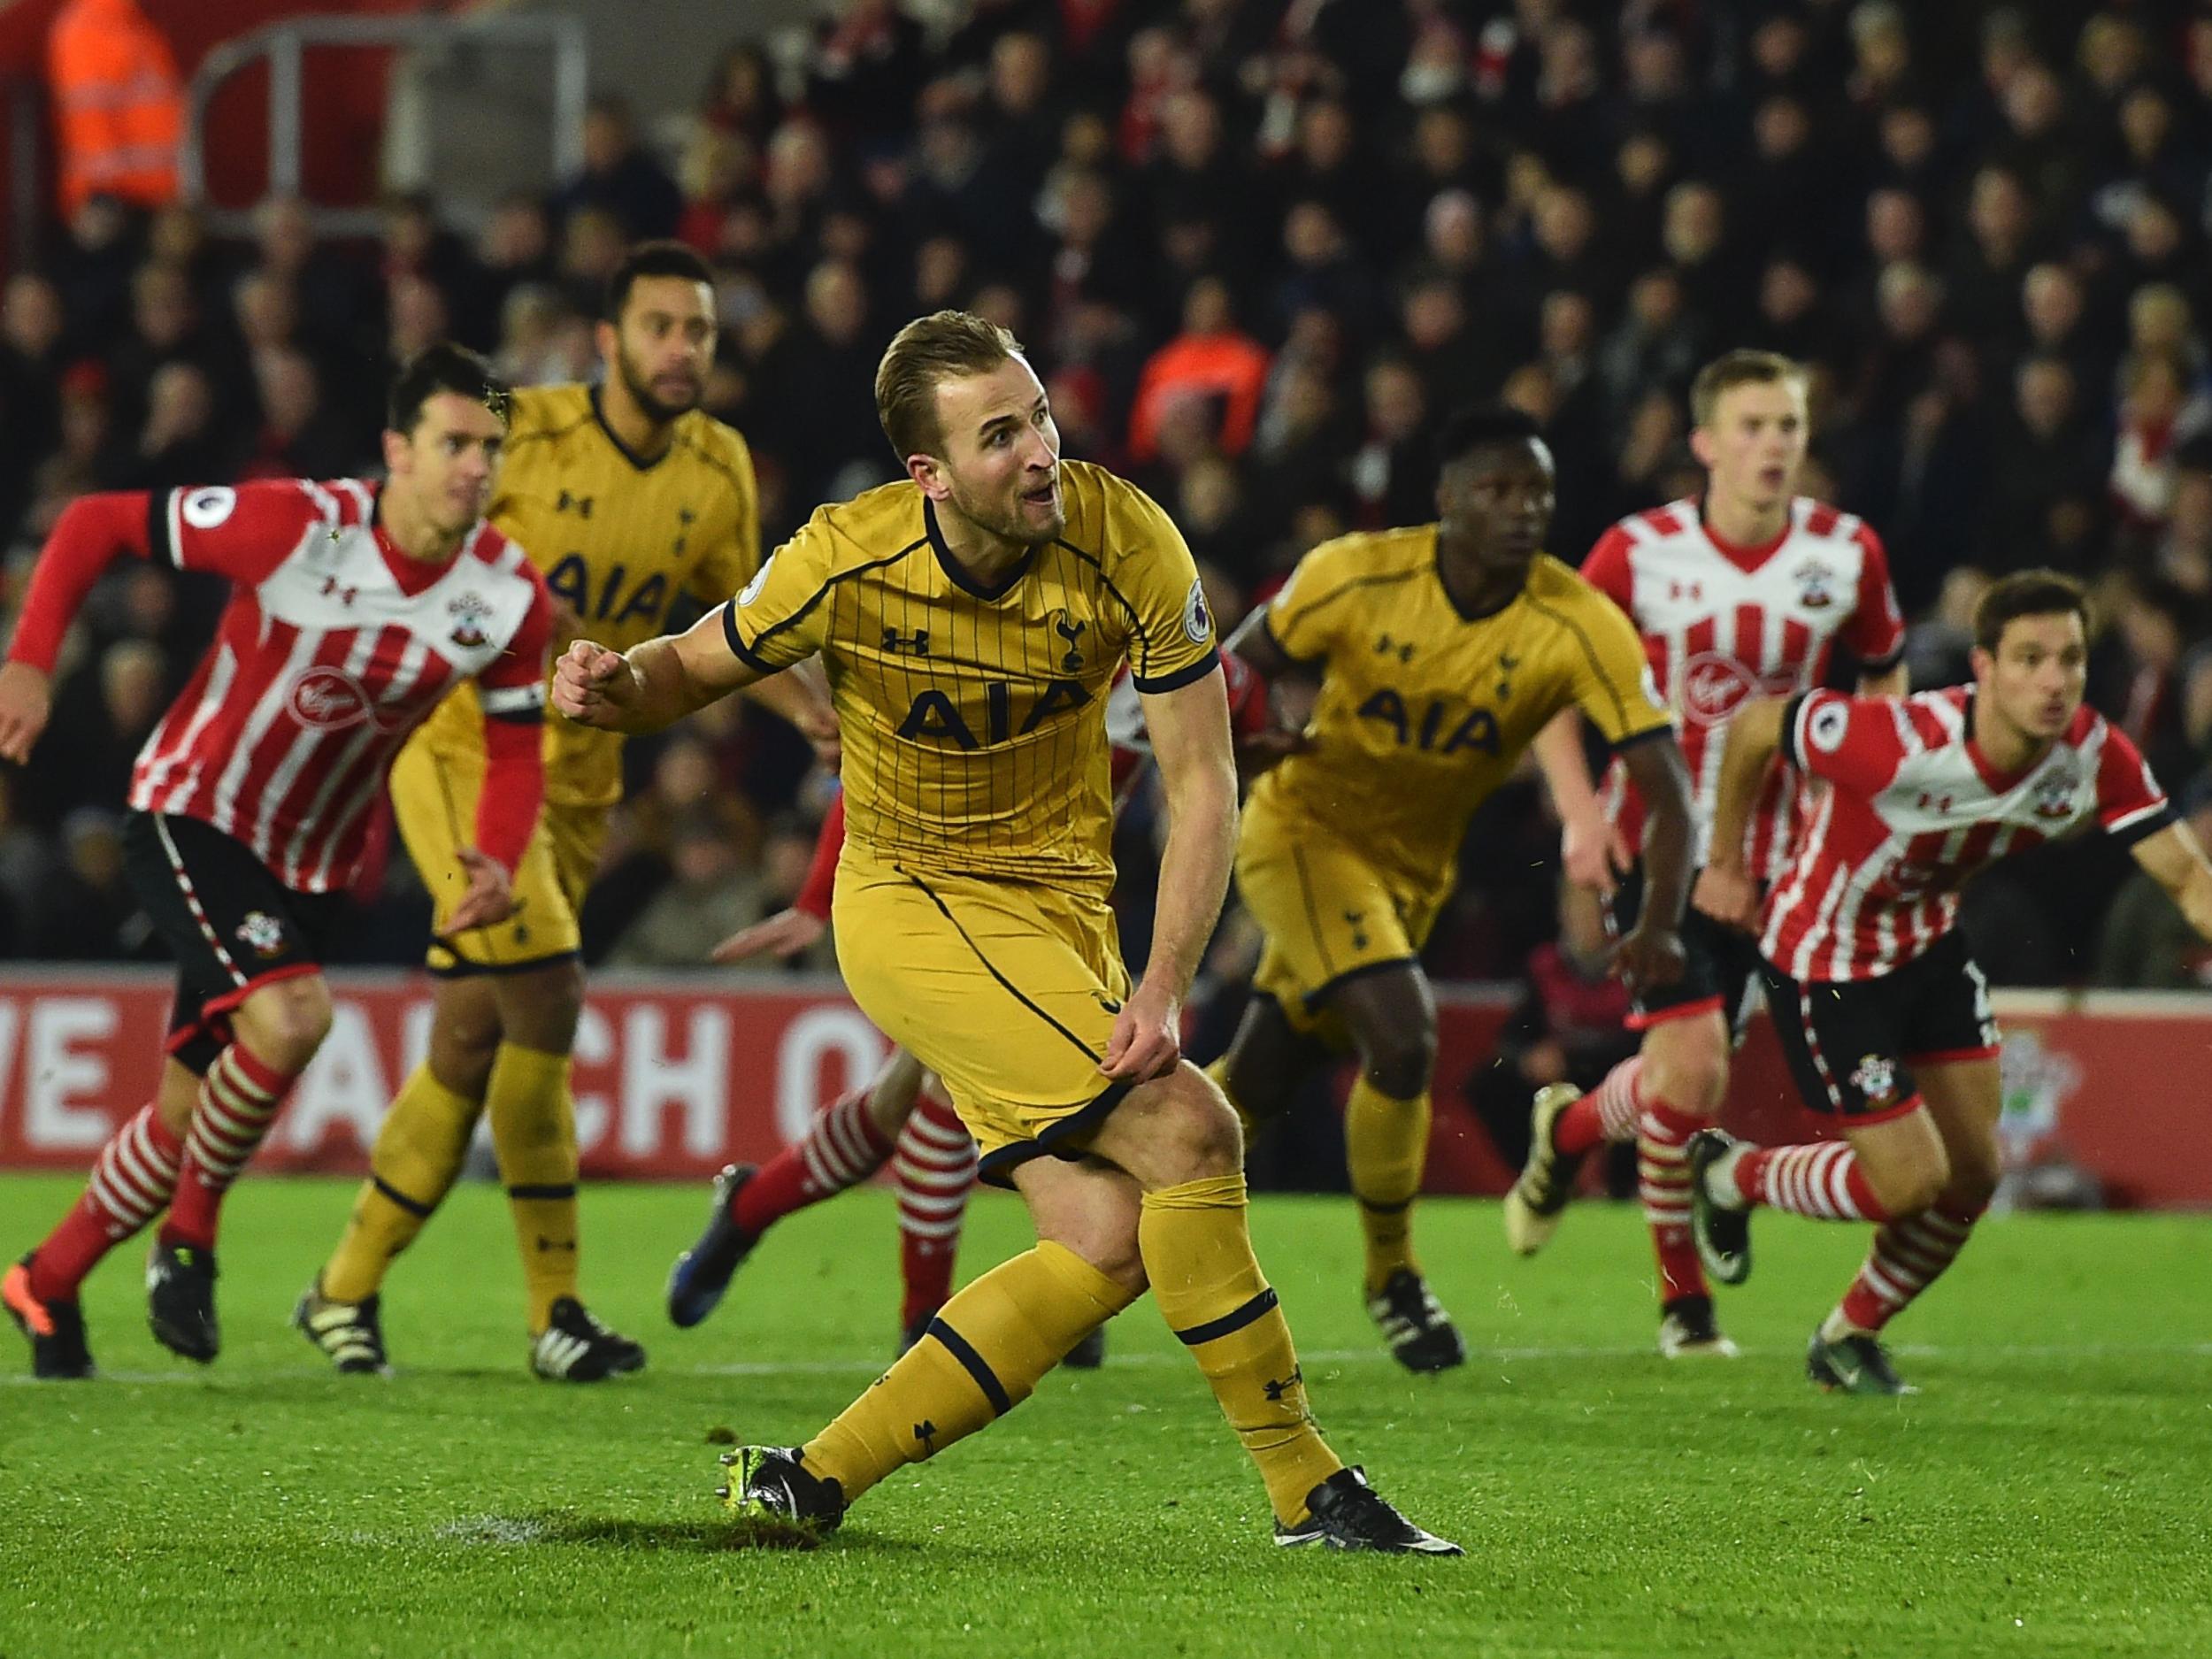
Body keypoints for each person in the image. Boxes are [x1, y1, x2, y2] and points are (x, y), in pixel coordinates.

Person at [558, 309, 1456, 1552]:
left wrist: (1165, 976)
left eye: (1038, 414)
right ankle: (1311, 1488)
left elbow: (1205, 780)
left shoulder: (1127, 533)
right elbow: (691, 665)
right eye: (1000, 434)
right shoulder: (845, 553)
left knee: (1099, 1239)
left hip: (1060, 910)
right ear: (927, 473)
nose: (1040, 450)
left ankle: (808, 1478)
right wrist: (614, 688)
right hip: (912, 899)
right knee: (1190, 1128)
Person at [296, 242, 833, 1382]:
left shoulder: (722, 465)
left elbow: (740, 620)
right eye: (658, 328)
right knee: (546, 996)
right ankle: (556, 1314)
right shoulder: (519, 421)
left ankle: (340, 1291)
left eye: (699, 330)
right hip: (460, 752)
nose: (682, 349)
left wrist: (806, 714)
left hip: (585, 781)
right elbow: (400, 462)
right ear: (607, 341)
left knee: (473, 1033)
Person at [0, 345, 552, 1379]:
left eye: (490, 446)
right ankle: (190, 1242)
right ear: (398, 448)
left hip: (314, 867)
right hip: (194, 812)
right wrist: (28, 663)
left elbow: (517, 742)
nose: (474, 466)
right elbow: (93, 523)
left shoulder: (507, 595)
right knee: (293, 1022)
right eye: (453, 443)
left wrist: (498, 853)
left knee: (180, 1113)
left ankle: (49, 1276)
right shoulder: (299, 525)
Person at [1204, 404, 1694, 1371]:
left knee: (1253, 1087)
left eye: (1537, 495)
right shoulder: (1355, 572)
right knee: (1403, 1035)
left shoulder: (1576, 621)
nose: (1521, 512)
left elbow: (1666, 789)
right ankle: (1394, 1278)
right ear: (1446, 501)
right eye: (1498, 492)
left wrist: (1662, 922)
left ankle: (1095, 1221)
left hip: (1412, 876)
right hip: (1302, 833)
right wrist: (1243, 741)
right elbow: (1228, 671)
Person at [1688, 571, 2212, 1394]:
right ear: (1985, 667)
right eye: (2030, 658)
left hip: (1927, 947)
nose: (2052, 680)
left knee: (1973, 1175)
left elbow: (2186, 877)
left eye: (2069, 659)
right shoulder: (1899, 741)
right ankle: (1729, 1175)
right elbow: (1758, 725)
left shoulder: (2091, 752)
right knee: (1909, 1182)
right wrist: (1725, 862)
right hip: (1825, 956)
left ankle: (1848, 1334)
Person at [667, 659, 1270, 1361]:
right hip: (950, 887)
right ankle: (934, 1312)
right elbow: (887, 756)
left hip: (1067, 899)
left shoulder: (1185, 657)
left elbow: (1241, 739)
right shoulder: (1015, 647)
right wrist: (816, 896)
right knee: (951, 1088)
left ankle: (750, 1208)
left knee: (905, 1098)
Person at [1515, 349, 1909, 1359]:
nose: (1772, 444)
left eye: (1787, 425)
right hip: (1656, 844)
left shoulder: (1845, 553)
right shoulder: (1635, 553)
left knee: (1689, 1081)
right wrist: (1578, 815)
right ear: (1703, 444)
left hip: (1798, 860)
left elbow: (1882, 678)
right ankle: (1683, 1309)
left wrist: (1877, 794)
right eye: (1751, 426)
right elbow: (1548, 688)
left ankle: (1564, 1135)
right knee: (1689, 1075)